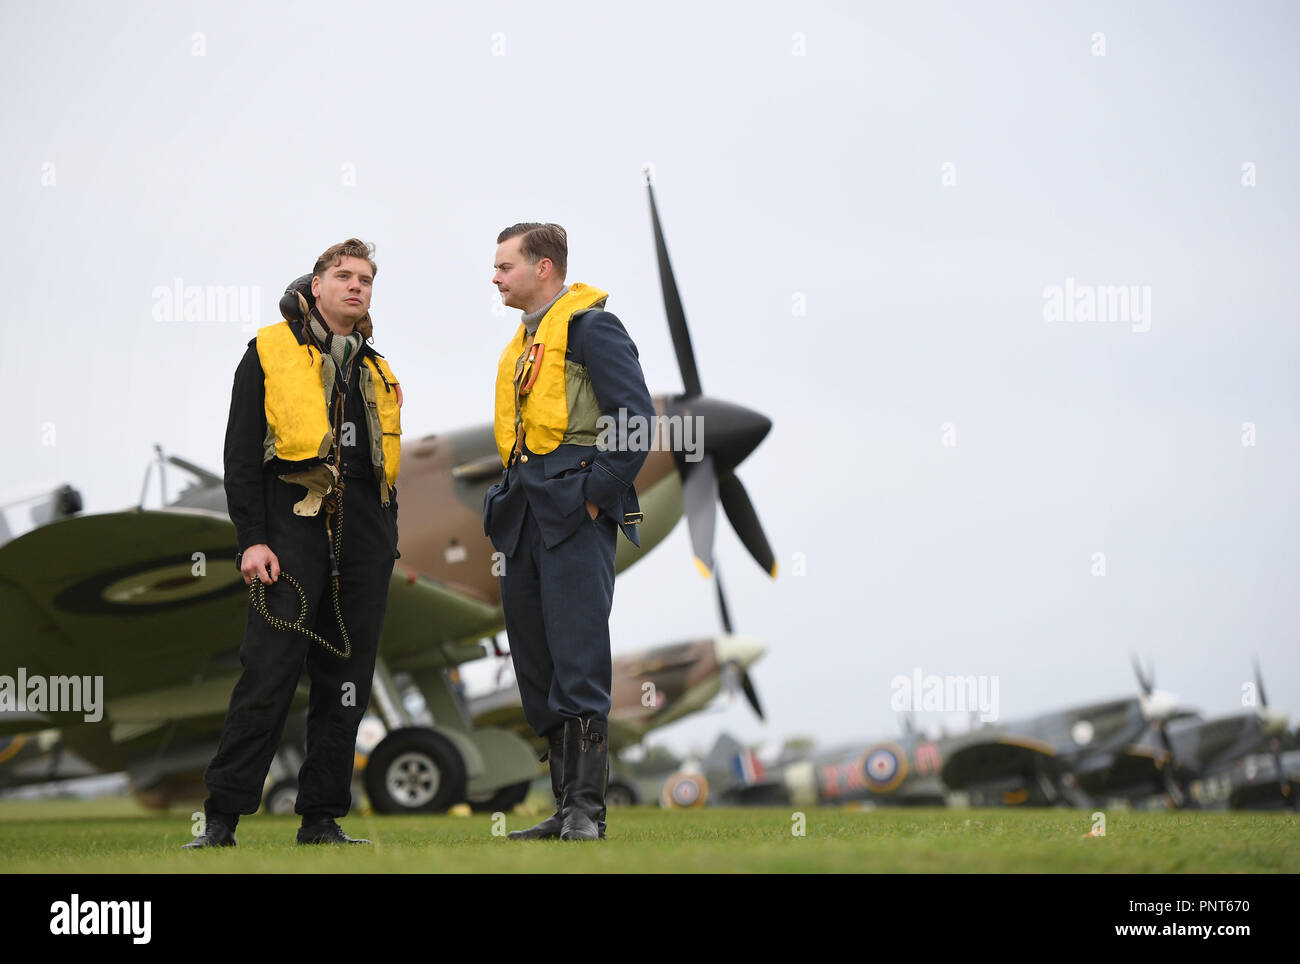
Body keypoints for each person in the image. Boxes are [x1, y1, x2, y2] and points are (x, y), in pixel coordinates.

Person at [185, 239, 403, 848]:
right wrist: (252, 540)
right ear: (316, 285)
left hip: (364, 536)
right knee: (268, 675)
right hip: (290, 528)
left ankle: (322, 819)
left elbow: (384, 465)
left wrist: (386, 540)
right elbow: (239, 457)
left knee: (348, 682)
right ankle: (221, 821)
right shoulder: (267, 351)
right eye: (343, 276)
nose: (356, 286)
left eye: (365, 279)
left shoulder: (374, 366)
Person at [483, 222, 654, 841]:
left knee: (579, 659)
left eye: (505, 266)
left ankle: (588, 812)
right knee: (536, 665)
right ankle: (563, 808)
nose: (495, 276)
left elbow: (636, 422)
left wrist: (594, 499)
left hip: (572, 508)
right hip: (523, 516)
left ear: (544, 269)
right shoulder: (525, 343)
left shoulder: (591, 328)